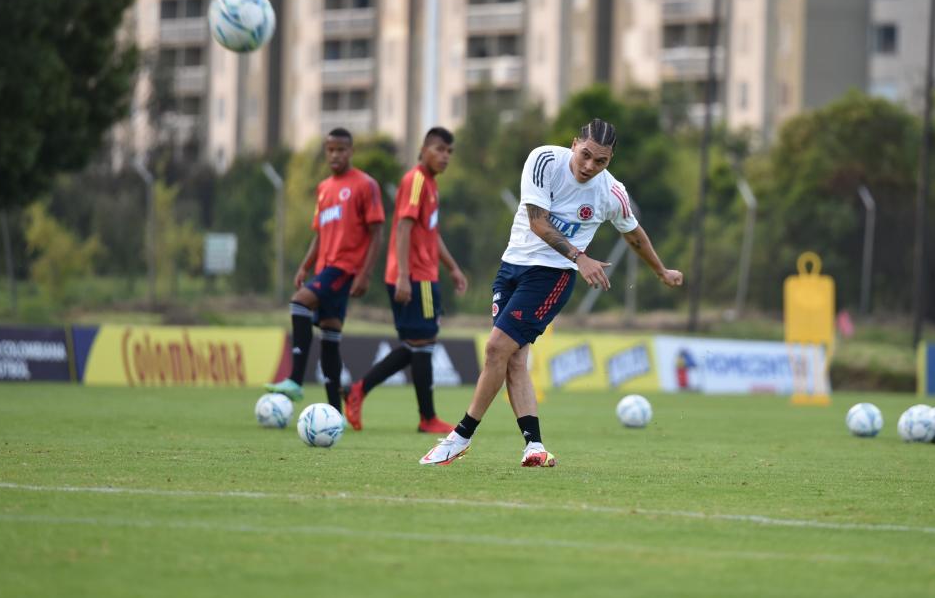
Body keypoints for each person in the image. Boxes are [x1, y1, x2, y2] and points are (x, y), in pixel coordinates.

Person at [420, 118, 684, 467]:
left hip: (552, 276)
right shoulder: (544, 160)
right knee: (514, 360)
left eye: (601, 161)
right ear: (575, 144)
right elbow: (537, 221)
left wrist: (660, 270)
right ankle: (534, 447)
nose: (590, 166)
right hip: (511, 268)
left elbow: (634, 234)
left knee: (497, 348)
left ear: (610, 160)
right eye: (586, 155)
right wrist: (581, 256)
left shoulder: (611, 193)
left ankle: (460, 437)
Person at [345, 127, 468, 433]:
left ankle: (359, 389)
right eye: (439, 149)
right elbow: (403, 226)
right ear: (424, 149)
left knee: (415, 345)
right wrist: (403, 275)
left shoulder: (431, 185)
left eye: (449, 152)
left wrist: (452, 267)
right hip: (415, 277)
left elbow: (430, 233)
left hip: (417, 274)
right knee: (423, 343)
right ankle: (427, 419)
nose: (445, 156)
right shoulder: (416, 180)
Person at [266, 128, 385, 417]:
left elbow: (377, 232)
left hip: (344, 268)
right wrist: (305, 265)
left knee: (298, 302)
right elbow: (320, 233)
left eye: (341, 150)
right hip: (324, 267)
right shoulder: (324, 188)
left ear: (351, 151)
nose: (335, 155)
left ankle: (295, 379)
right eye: (330, 150)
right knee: (330, 335)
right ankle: (335, 413)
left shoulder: (365, 185)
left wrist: (365, 274)